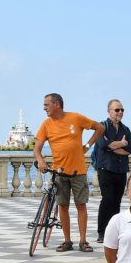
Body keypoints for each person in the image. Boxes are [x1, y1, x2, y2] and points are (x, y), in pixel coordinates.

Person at [33, 93, 105, 252]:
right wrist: (41, 160)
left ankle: (83, 241)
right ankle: (67, 241)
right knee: (63, 206)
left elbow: (100, 127)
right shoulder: (46, 124)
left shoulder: (76, 118)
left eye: (46, 104)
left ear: (57, 104)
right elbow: (37, 149)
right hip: (59, 172)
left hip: (78, 171)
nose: (44, 108)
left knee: (81, 205)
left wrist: (87, 146)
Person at [94, 99, 131, 244]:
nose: (120, 112)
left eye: (122, 110)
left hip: (121, 169)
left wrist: (112, 147)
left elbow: (130, 149)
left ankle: (113, 231)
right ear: (109, 111)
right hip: (105, 168)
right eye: (117, 110)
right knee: (107, 199)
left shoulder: (126, 129)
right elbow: (103, 145)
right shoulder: (101, 127)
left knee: (116, 202)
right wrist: (121, 143)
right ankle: (102, 232)